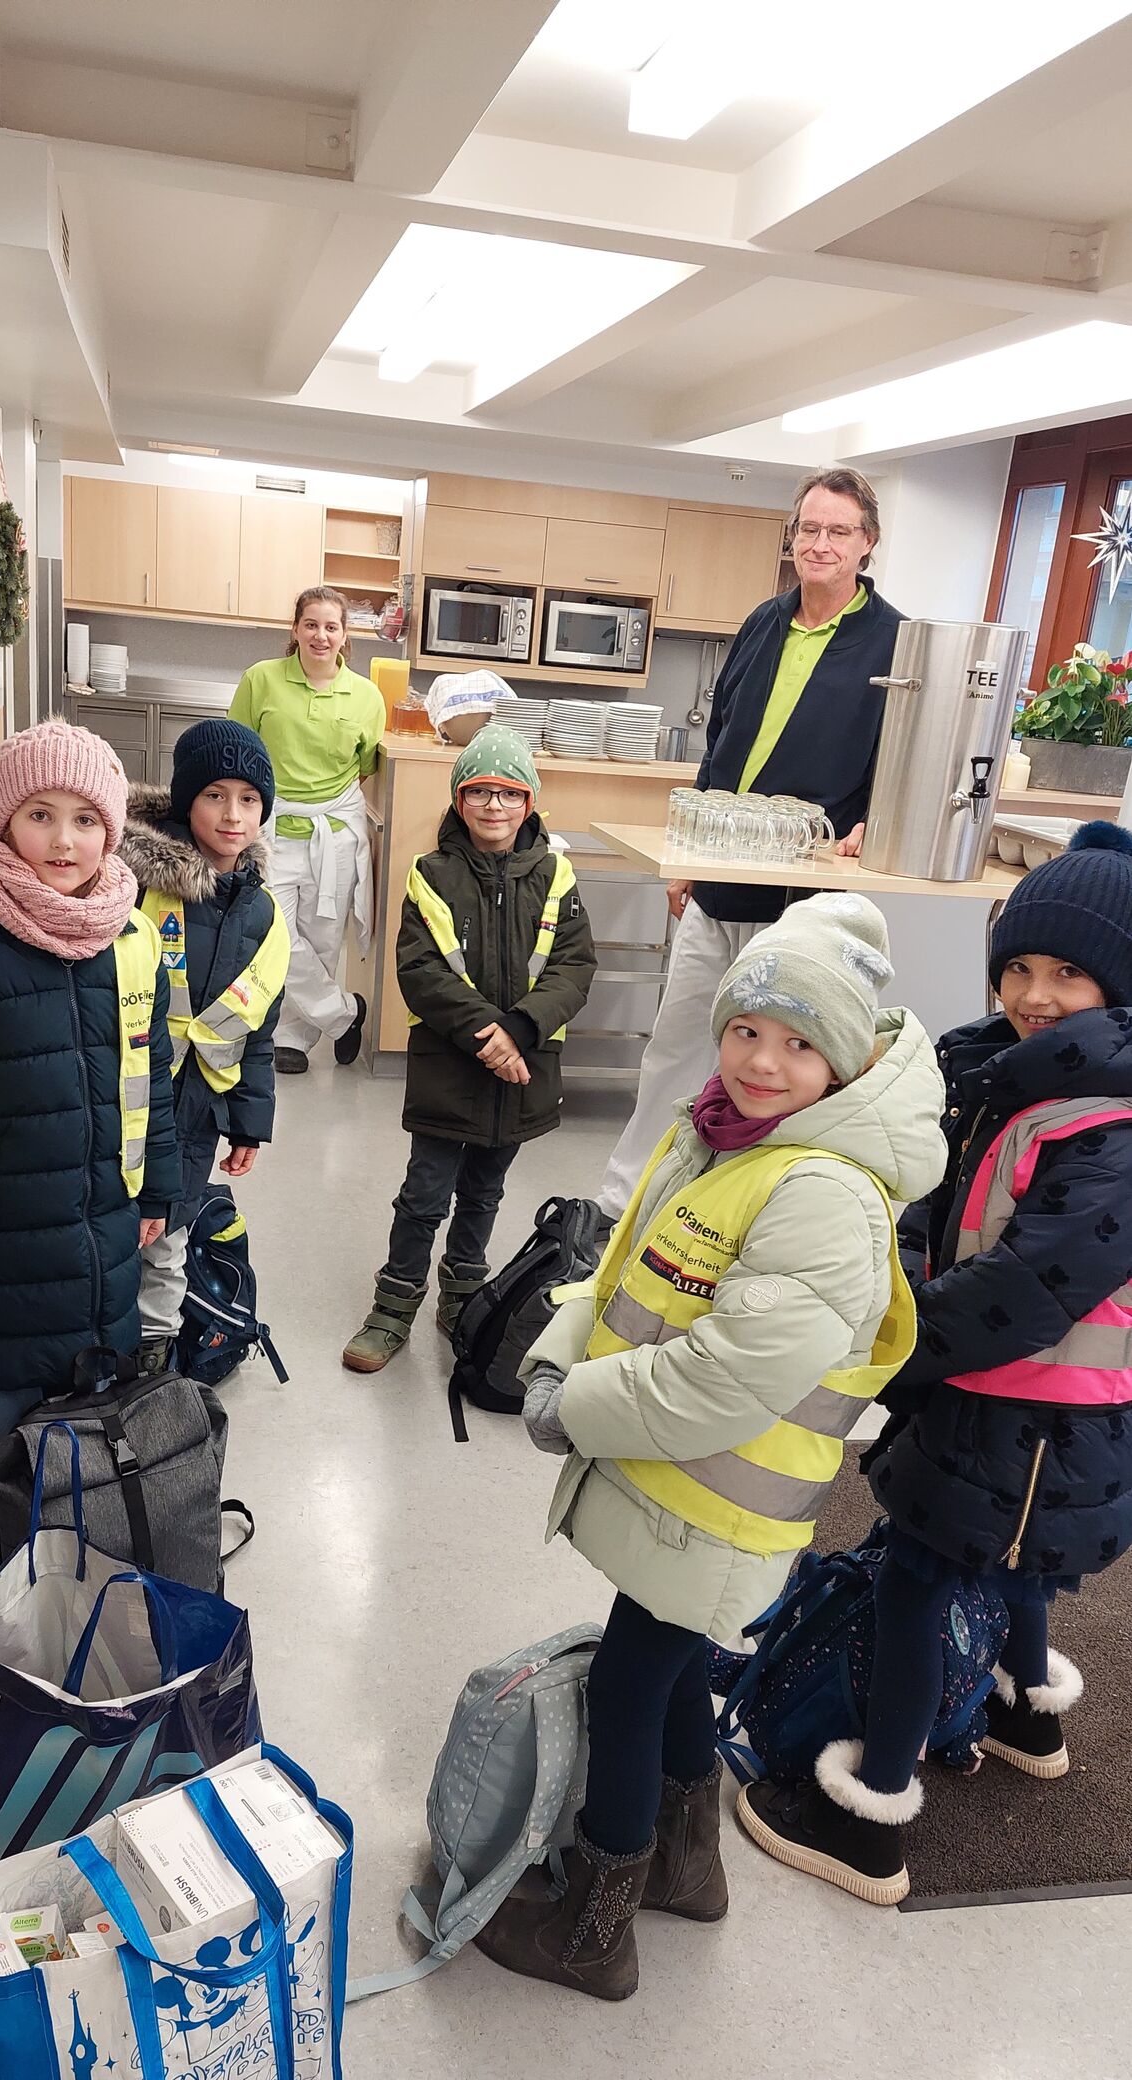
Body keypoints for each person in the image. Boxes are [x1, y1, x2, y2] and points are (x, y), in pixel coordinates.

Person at [476, 893, 946, 1998]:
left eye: (799, 1044)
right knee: (673, 1661)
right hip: (674, 1484)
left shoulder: (823, 1192)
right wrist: (556, 1355)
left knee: (627, 1687)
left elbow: (729, 1378)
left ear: (847, 1062)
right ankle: (687, 1865)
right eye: (745, 1028)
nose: (761, 1061)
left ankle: (594, 1931)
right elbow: (627, 1276)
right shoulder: (724, 1136)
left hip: (719, 1502)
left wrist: (577, 1406)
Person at [739, 824, 1132, 1905]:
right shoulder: (1018, 1077)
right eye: (1018, 966)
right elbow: (950, 1205)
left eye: (1067, 974)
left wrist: (885, 1343)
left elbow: (1024, 1289)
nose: (1034, 994)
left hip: (1031, 1415)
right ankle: (1024, 1714)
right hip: (1018, 1405)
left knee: (919, 1577)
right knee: (1015, 1566)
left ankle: (868, 1819)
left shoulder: (1111, 1125)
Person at [0, 721, 179, 1591]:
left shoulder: (131, 937)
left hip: (101, 1224)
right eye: (40, 814)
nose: (63, 840)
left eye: (86, 819)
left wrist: (157, 1190)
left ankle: (65, 1564)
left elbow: (152, 1077)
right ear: (3, 820)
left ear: (112, 831)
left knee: (84, 1408)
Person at [598, 467, 905, 1222]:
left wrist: (875, 821)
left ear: (867, 542)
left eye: (838, 531)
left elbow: (897, 760)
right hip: (718, 877)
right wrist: (687, 855)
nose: (820, 543)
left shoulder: (895, 641)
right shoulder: (763, 621)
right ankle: (624, 1201)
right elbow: (720, 742)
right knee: (674, 1045)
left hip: (808, 898)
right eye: (809, 528)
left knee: (783, 1067)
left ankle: (744, 1209)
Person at [342, 726, 597, 1371]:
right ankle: (395, 1303)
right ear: (459, 800)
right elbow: (421, 971)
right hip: (449, 1067)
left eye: (509, 793)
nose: (493, 806)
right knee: (423, 1193)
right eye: (479, 791)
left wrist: (521, 1030)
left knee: (485, 1191)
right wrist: (491, 1035)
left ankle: (461, 1294)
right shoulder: (431, 875)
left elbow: (574, 966)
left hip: (524, 1066)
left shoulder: (557, 876)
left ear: (529, 803)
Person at [121, 720, 289, 1367]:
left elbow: (258, 1027)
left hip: (196, 1115)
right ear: (186, 800)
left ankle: (151, 1365)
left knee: (167, 1240)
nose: (232, 815)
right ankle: (92, 1357)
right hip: (124, 1102)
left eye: (249, 799)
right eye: (214, 795)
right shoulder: (138, 886)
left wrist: (248, 1122)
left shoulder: (262, 913)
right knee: (111, 1232)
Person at [229, 586, 385, 1074]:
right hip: (271, 830)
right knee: (270, 933)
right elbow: (238, 749)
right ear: (295, 629)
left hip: (333, 834)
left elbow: (365, 765)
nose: (321, 635)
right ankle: (344, 1015)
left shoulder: (367, 696)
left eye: (331, 626)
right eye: (311, 624)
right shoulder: (261, 679)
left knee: (322, 938)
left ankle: (292, 1038)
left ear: (344, 635)